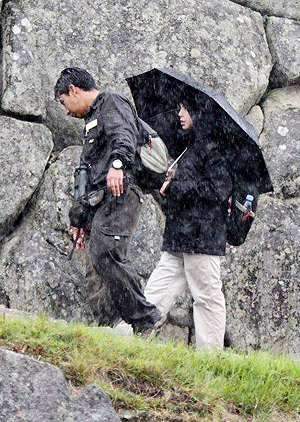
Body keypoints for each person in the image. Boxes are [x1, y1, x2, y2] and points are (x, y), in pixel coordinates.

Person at [55, 67, 164, 336]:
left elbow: (124, 135)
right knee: (97, 264)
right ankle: (110, 329)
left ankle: (146, 318)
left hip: (122, 192)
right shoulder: (90, 121)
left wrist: (118, 163)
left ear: (73, 90)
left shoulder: (111, 102)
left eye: (63, 103)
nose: (66, 111)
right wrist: (78, 218)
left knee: (106, 251)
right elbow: (87, 174)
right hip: (100, 200)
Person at [125, 93, 233, 350]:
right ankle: (128, 338)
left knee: (206, 297)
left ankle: (210, 355)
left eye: (184, 108)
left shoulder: (216, 149)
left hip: (202, 237)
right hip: (181, 234)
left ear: (197, 112)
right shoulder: (190, 146)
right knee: (158, 289)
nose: (179, 114)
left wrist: (175, 186)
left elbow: (217, 191)